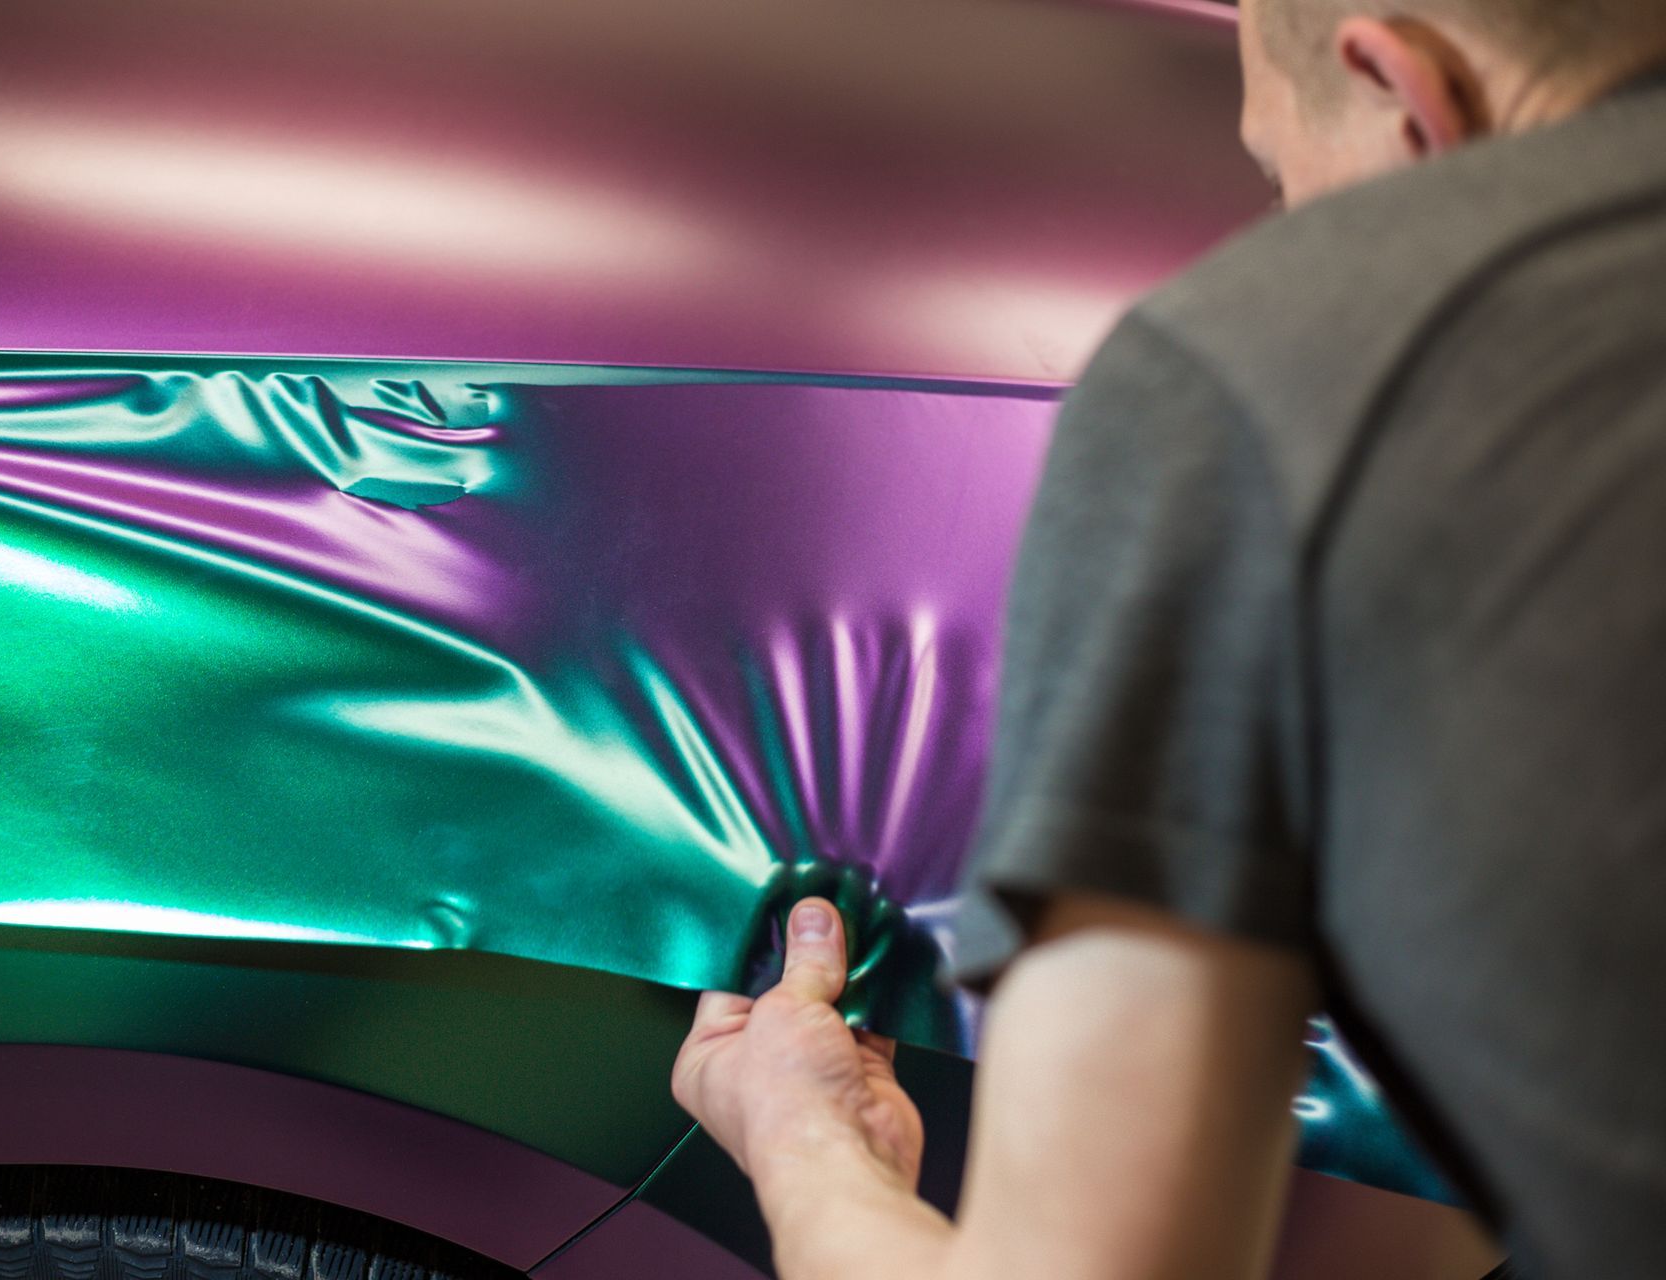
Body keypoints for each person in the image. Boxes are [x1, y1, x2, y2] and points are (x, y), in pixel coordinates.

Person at [670, 1, 1666, 1276]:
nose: (1287, 227)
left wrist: (802, 1134)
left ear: (1403, 90)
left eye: (1278, 169)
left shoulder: (1291, 355)